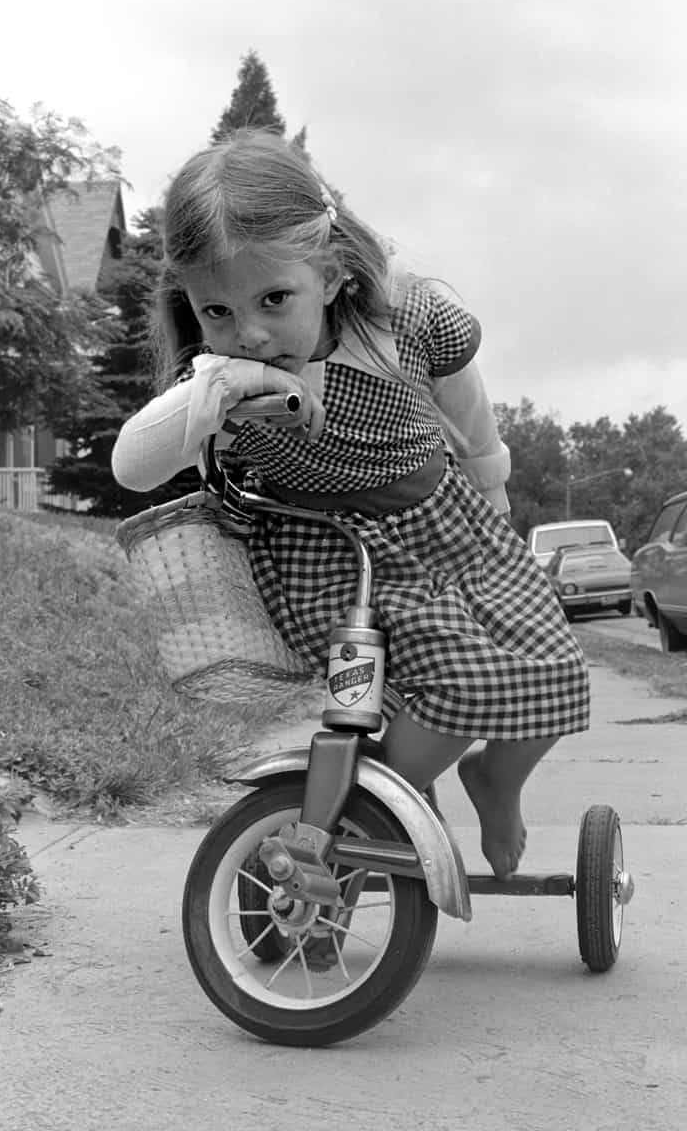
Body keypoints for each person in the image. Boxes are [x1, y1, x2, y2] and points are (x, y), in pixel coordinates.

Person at [112, 130, 589, 879]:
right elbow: (132, 466)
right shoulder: (218, 382)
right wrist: (217, 391)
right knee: (458, 684)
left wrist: (495, 498)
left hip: (450, 527)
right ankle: (387, 808)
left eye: (275, 299)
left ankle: (493, 781)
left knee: (557, 665)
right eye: (217, 311)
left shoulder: (404, 322)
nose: (252, 333)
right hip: (328, 556)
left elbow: (470, 420)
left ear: (330, 275)